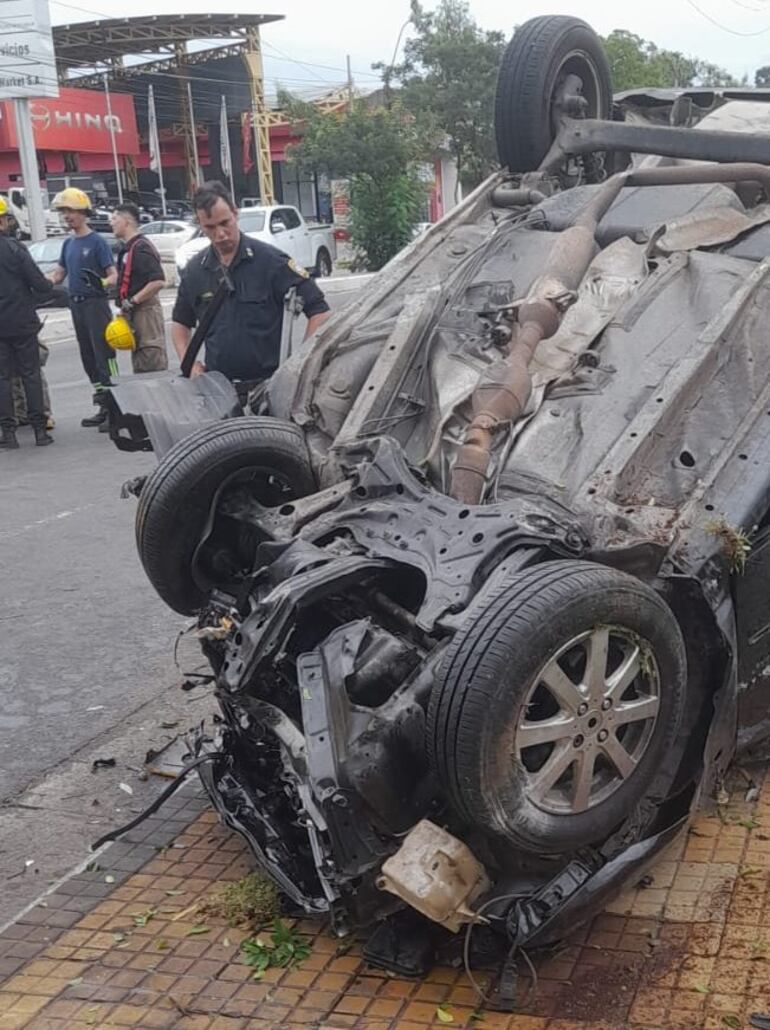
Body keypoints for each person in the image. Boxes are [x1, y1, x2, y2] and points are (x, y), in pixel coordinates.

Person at [171, 181, 331, 384]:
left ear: (235, 214)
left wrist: (300, 364)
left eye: (225, 223)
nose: (220, 234)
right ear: (200, 224)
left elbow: (320, 311)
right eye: (210, 227)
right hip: (218, 391)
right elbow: (180, 324)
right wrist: (190, 364)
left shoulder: (271, 262)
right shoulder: (195, 270)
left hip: (268, 387)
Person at [48, 188, 118, 429]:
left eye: (69, 211)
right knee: (87, 356)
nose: (66, 217)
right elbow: (59, 273)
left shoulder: (97, 242)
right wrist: (42, 283)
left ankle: (116, 407)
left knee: (104, 356)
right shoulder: (68, 244)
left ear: (82, 212)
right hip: (76, 305)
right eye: (63, 212)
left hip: (95, 305)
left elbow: (113, 275)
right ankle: (102, 404)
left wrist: (102, 282)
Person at [0, 196, 54, 449]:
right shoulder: (15, 249)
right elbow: (39, 284)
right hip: (22, 322)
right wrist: (50, 284)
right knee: (30, 374)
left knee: (2, 379)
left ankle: (8, 434)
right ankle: (40, 431)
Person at [110, 203, 168, 373]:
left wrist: (133, 300)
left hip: (146, 311)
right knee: (141, 361)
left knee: (150, 359)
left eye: (115, 218)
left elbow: (158, 281)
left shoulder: (141, 247)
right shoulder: (128, 249)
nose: (111, 223)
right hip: (135, 312)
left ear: (126, 221)